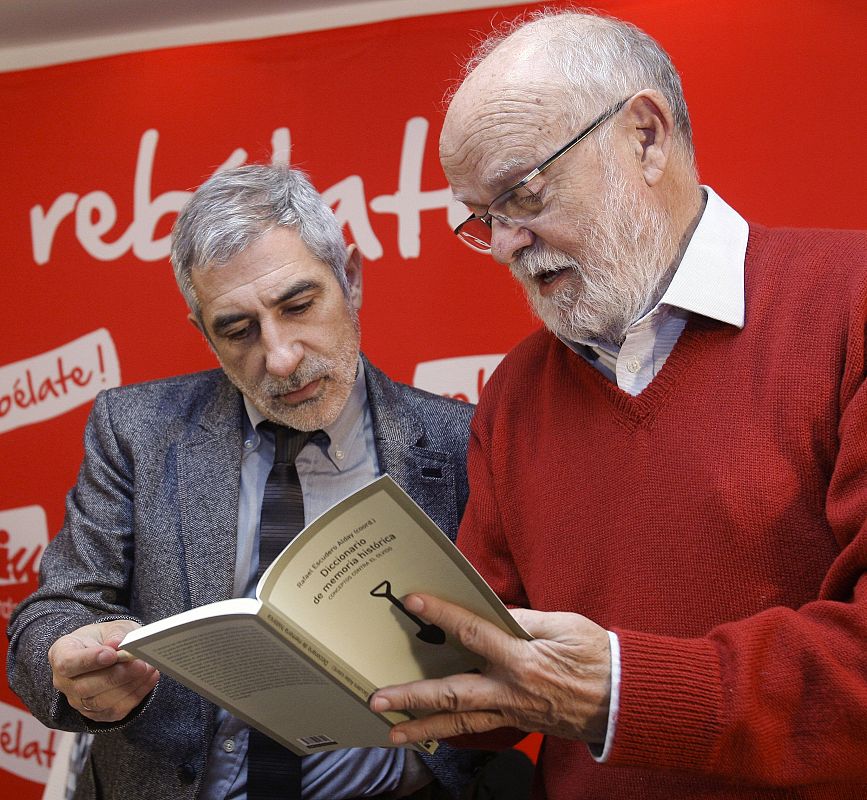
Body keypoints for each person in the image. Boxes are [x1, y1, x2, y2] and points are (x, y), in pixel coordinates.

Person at [367, 10, 867, 800]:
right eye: (481, 218)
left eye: (522, 193)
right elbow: (501, 687)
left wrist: (625, 690)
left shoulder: (849, 305)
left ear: (644, 135)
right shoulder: (513, 396)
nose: (502, 244)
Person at [7, 164, 487, 799]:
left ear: (351, 277)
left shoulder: (460, 442)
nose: (281, 356)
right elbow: (50, 615)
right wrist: (69, 660)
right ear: (202, 333)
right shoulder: (135, 430)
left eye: (299, 304)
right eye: (238, 330)